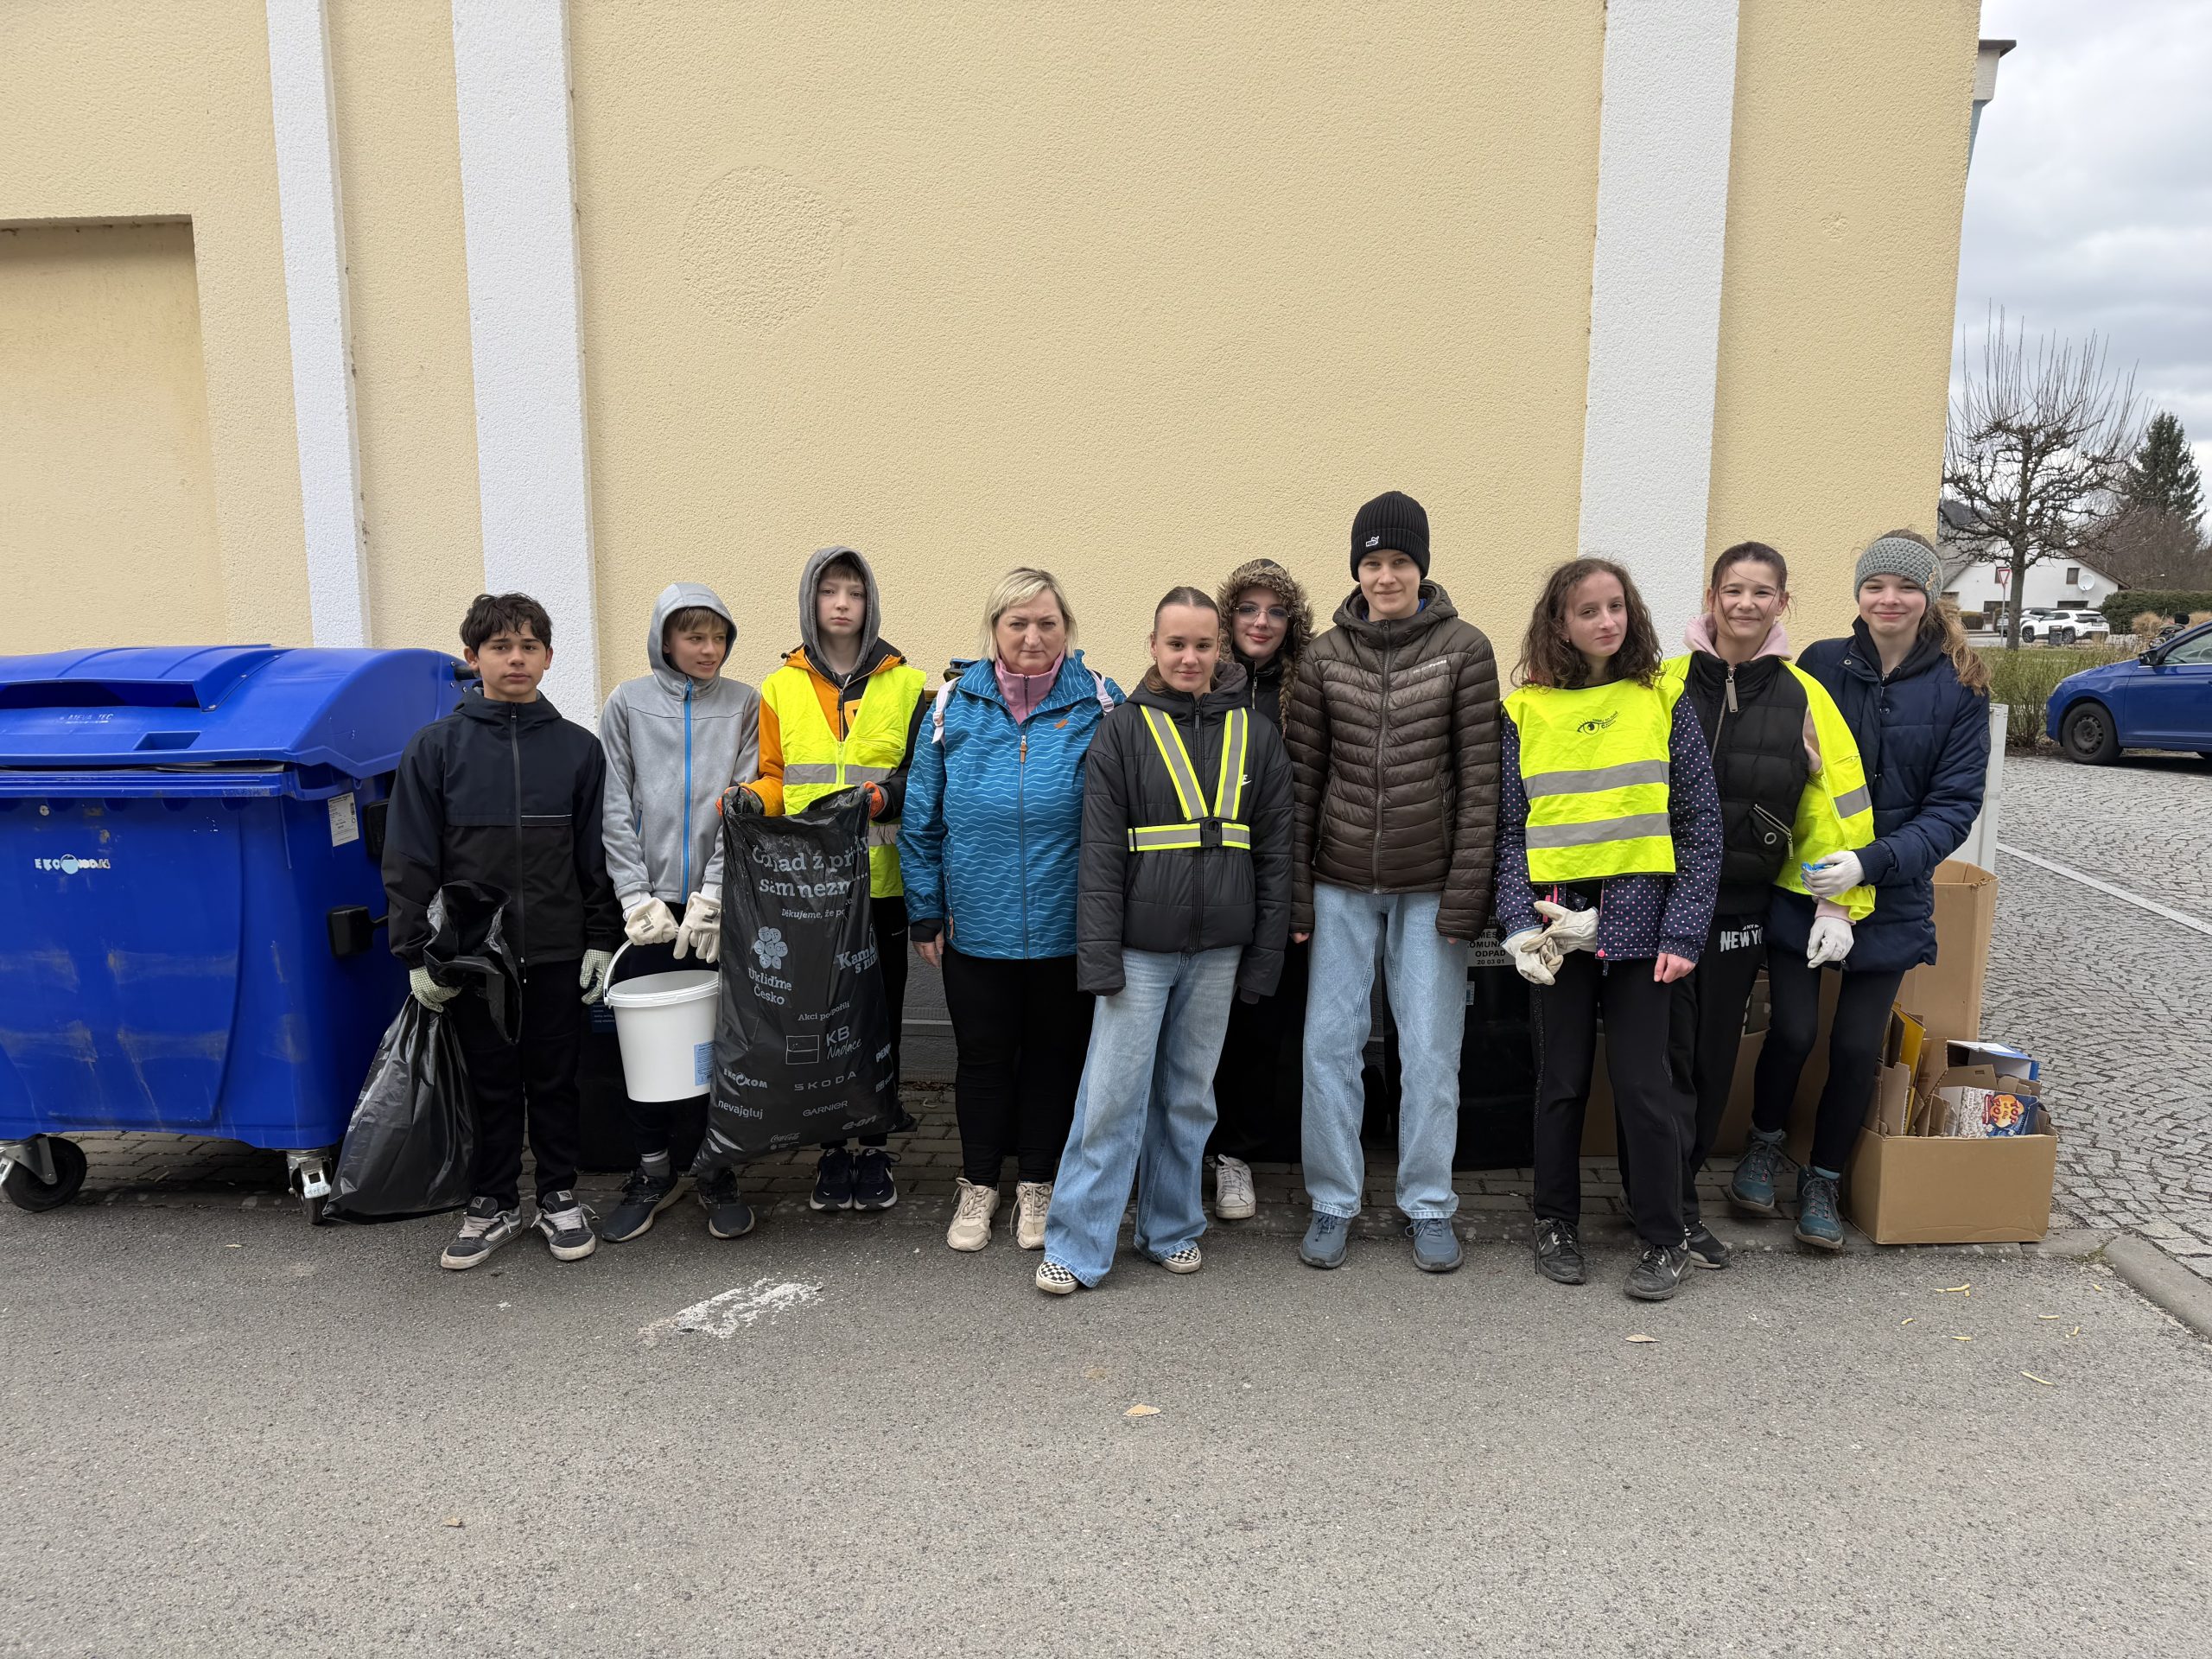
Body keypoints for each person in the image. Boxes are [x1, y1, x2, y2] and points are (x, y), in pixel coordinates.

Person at [1731, 530, 1991, 1249]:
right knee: (1792, 1030)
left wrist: (1871, 864)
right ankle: (1762, 1146)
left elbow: (1953, 807)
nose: (1889, 599)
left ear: (1929, 595)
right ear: (1858, 593)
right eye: (1875, 585)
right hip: (1805, 882)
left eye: (1905, 587)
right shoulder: (1820, 662)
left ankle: (1824, 1178)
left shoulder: (1961, 687)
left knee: (1853, 1047)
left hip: (1893, 893)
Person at [1034, 588, 1294, 1294]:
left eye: (1203, 645)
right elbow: (1098, 856)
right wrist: (1098, 958)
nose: (1189, 657)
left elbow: (1275, 856)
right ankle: (1077, 1245)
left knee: (1188, 1098)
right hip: (1138, 951)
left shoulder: (1256, 734)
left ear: (1220, 649)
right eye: (1176, 644)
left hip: (1219, 950)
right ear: (1153, 646)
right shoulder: (1122, 731)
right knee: (1111, 1100)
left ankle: (1170, 1228)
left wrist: (1263, 959)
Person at [1495, 557, 1721, 1302]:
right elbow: (1509, 830)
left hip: (1643, 929)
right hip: (1557, 927)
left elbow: (1698, 823)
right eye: (1588, 610)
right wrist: (1516, 926)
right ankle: (1555, 1224)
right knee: (1560, 1083)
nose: (1606, 621)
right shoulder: (1523, 711)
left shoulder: (1663, 699)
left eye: (1616, 606)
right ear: (1559, 624)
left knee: (1644, 1087)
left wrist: (1683, 934)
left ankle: (1664, 1237)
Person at [1286, 491, 1500, 1275]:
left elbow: (1481, 784)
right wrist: (1298, 893)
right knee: (1328, 1048)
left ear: (1422, 567)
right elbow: (1302, 784)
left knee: (1433, 1052)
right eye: (1372, 562)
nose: (1385, 576)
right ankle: (1333, 1200)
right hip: (1339, 880)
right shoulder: (1322, 657)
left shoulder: (1465, 649)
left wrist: (1467, 897)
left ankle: (1429, 1204)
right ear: (1356, 570)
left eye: (1400, 561)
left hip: (1432, 885)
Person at [382, 592, 623, 1271]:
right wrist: (418, 953)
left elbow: (595, 855)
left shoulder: (578, 750)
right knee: (487, 1082)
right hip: (472, 957)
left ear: (548, 658)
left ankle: (558, 1195)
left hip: (556, 947)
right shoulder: (435, 749)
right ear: (472, 658)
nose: (515, 659)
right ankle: (491, 1202)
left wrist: (600, 937)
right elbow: (409, 857)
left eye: (528, 647)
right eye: (500, 647)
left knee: (555, 1079)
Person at [1660, 543, 1875, 1270]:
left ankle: (1680, 1196)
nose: (1745, 604)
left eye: (1762, 592)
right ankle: (1654, 1191)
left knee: (1712, 1057)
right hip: (1660, 900)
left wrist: (1837, 904)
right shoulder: (1663, 681)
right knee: (1658, 1054)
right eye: (1733, 590)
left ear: (1783, 602)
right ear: (1711, 597)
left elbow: (1833, 810)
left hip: (1741, 905)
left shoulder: (1804, 696)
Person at [899, 569, 1122, 1252]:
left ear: (1067, 629)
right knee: (983, 1059)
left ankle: (1038, 1184)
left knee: (1054, 1060)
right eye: (1017, 623)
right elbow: (921, 819)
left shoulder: (1102, 703)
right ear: (994, 629)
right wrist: (926, 911)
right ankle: (977, 1185)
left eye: (1047, 623)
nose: (1033, 636)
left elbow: (1125, 813)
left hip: (1067, 928)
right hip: (976, 927)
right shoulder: (951, 706)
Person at [732, 547, 926, 1212]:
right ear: (810, 601)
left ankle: (874, 1147)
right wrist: (751, 798)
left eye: (855, 592)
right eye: (829, 591)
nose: (843, 604)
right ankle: (831, 1150)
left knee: (877, 1022)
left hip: (881, 887)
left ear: (872, 603)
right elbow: (776, 776)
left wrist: (884, 798)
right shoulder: (779, 687)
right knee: (817, 1022)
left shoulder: (909, 684)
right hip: (807, 892)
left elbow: (920, 780)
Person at [595, 583, 761, 1245]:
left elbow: (741, 804)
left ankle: (714, 1170)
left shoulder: (745, 703)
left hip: (717, 907)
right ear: (665, 639)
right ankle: (652, 1170)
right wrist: (635, 897)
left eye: (718, 637)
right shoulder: (627, 702)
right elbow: (614, 803)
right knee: (648, 1047)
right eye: (694, 636)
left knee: (711, 1046)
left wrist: (714, 894)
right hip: (651, 907)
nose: (709, 649)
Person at [1206, 557, 1314, 1220]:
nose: (1261, 622)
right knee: (1199, 1027)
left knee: (1259, 1026)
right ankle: (1183, 1148)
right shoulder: (1197, 678)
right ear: (1228, 617)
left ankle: (1235, 1157)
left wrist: (1299, 899)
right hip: (1202, 883)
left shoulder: (1308, 691)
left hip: (1279, 883)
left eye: (1276, 611)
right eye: (1248, 608)